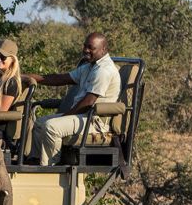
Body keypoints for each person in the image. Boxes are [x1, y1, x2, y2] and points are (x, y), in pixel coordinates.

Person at [26, 33, 121, 165]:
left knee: (51, 126)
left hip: (95, 121)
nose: (86, 50)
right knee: (40, 123)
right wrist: (27, 77)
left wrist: (64, 117)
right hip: (83, 116)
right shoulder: (90, 66)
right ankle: (34, 162)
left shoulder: (104, 71)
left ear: (103, 50)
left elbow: (88, 102)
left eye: (91, 48)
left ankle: (49, 167)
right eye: (85, 46)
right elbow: (61, 78)